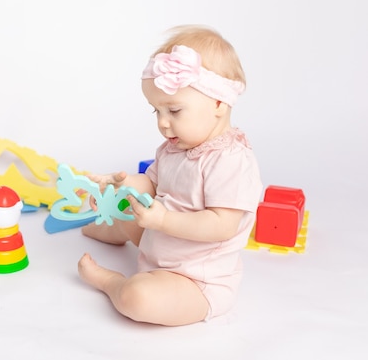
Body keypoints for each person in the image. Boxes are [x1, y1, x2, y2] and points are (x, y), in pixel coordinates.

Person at [77, 25, 263, 326]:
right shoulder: (173, 148)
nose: (163, 124)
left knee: (138, 298)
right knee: (127, 203)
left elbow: (222, 225)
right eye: (156, 111)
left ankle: (111, 283)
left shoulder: (231, 160)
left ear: (218, 103)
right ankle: (111, 226)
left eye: (174, 111)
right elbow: (151, 184)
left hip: (196, 281)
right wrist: (121, 185)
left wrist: (163, 221)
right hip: (159, 243)